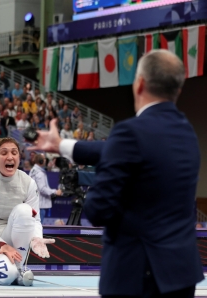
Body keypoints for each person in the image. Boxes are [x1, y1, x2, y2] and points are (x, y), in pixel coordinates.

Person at [30, 50, 203, 297]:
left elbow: (98, 209)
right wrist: (63, 146)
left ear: (140, 83)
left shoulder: (129, 133)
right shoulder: (187, 134)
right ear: (178, 90)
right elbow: (127, 150)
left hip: (135, 276)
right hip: (180, 276)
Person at [0, 138, 54, 287]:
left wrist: (37, 237)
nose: (10, 157)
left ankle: (19, 269)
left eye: (14, 153)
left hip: (9, 237)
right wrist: (2, 245)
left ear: (19, 157)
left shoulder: (28, 183)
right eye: (4, 153)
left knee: (25, 211)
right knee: (6, 276)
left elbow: (35, 220)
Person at [28, 153, 62, 223]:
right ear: (41, 161)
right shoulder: (39, 173)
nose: (45, 161)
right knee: (38, 226)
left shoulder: (33, 170)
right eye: (44, 159)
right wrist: (55, 192)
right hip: (40, 205)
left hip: (35, 203)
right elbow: (42, 189)